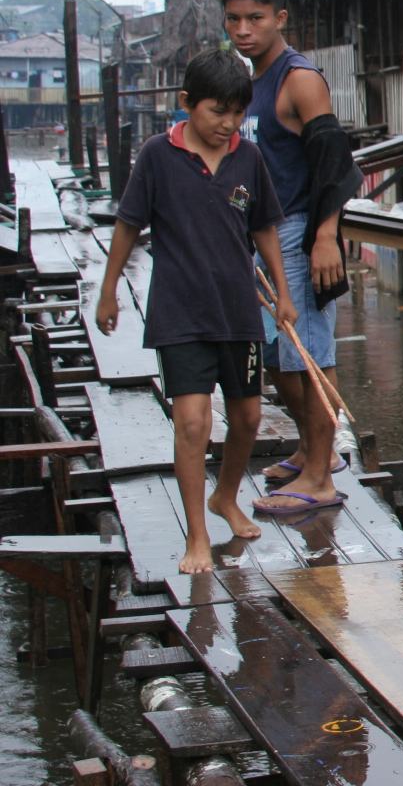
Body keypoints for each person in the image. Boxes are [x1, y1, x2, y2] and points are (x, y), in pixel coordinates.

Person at [95, 49, 298, 573]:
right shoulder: (157, 156)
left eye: (236, 113)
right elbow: (127, 224)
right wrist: (109, 289)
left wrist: (283, 293)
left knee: (249, 417)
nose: (226, 124)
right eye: (216, 112)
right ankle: (198, 535)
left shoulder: (247, 157)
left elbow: (265, 228)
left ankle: (225, 496)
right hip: (180, 311)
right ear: (187, 104)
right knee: (191, 423)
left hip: (237, 311)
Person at [222, 0, 361, 515]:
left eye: (255, 18)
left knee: (310, 354)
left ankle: (322, 478)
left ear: (280, 18)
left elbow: (334, 160)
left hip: (301, 230)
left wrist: (326, 236)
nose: (244, 30)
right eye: (233, 20)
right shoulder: (249, 82)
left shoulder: (297, 78)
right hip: (261, 238)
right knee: (280, 357)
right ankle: (310, 451)